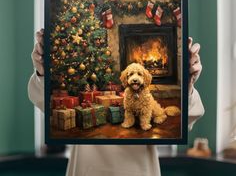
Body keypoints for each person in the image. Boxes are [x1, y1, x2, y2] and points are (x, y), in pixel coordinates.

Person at [28, 29, 204, 176]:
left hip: (139, 168)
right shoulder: (79, 88)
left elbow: (186, 120)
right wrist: (43, 75)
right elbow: (43, 101)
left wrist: (187, 86)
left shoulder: (146, 95)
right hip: (87, 167)